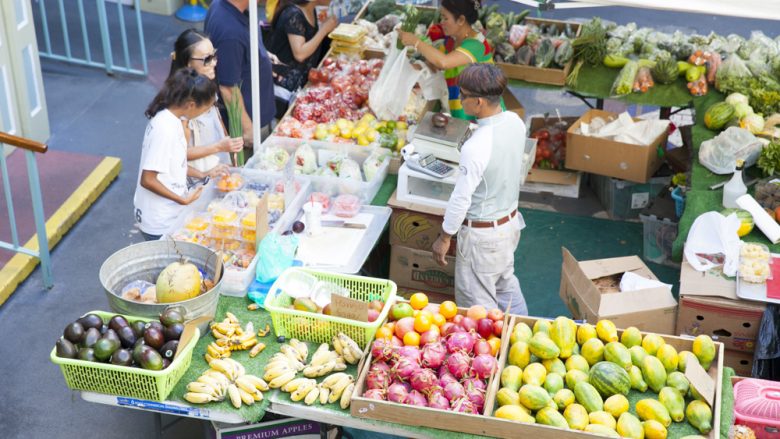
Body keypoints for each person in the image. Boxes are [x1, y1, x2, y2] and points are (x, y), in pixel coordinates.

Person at [431, 64, 528, 315]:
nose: (460, 100)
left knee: (477, 309)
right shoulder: (516, 123)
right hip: (509, 227)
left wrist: (444, 237)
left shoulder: (477, 146)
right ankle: (523, 329)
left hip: (482, 239)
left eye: (463, 95)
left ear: (479, 102)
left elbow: (460, 199)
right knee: (506, 286)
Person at [134, 69, 219, 241]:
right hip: (160, 220)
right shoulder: (165, 130)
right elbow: (148, 179)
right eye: (206, 108)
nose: (205, 113)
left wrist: (203, 175)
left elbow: (175, 163)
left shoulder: (173, 120)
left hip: (169, 213)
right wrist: (182, 200)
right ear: (191, 105)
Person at [397, 0, 499, 120]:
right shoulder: (451, 41)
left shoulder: (476, 45)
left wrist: (415, 41)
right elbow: (435, 65)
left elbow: (444, 62)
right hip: (461, 112)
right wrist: (408, 69)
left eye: (445, 18)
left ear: (461, 20)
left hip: (482, 116)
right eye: (441, 17)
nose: (441, 23)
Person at [169, 29, 243, 184]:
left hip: (218, 171)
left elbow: (217, 120)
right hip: (197, 181)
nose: (214, 62)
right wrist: (219, 147)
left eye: (214, 55)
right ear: (188, 63)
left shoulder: (205, 85)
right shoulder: (181, 104)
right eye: (207, 59)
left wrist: (228, 151)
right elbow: (179, 154)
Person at [205, 0, 277, 148]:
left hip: (259, 114)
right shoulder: (230, 32)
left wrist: (261, 55)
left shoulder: (230, 7)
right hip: (252, 122)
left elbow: (240, 50)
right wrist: (249, 129)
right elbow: (228, 88)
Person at [268, 0, 338, 92]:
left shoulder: (310, 10)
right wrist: (324, 30)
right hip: (283, 88)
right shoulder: (293, 14)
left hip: (301, 84)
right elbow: (300, 54)